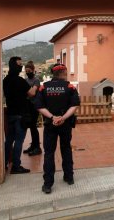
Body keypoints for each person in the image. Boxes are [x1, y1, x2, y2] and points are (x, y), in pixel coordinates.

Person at [35, 63, 80, 194]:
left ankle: (48, 184)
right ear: (63, 73)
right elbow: (75, 105)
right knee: (66, 148)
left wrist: (52, 117)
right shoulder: (70, 87)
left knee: (49, 153)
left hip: (50, 125)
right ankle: (69, 177)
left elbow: (38, 105)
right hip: (65, 125)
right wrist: (63, 118)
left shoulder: (44, 87)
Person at [3, 56, 38, 174]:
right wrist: (36, 84)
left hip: (10, 114)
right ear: (14, 65)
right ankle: (16, 166)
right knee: (18, 141)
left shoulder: (5, 80)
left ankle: (5, 163)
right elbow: (32, 93)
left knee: (9, 140)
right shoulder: (20, 81)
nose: (21, 66)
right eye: (19, 64)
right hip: (20, 115)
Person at [23, 61, 42, 156]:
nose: (28, 72)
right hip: (27, 106)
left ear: (33, 70)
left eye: (29, 70)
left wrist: (26, 91)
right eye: (26, 71)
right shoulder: (25, 80)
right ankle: (33, 145)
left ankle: (37, 147)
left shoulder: (36, 80)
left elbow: (33, 93)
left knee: (33, 127)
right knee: (31, 127)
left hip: (34, 106)